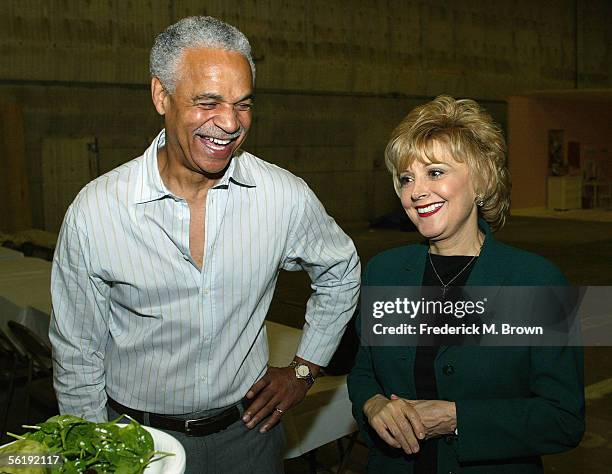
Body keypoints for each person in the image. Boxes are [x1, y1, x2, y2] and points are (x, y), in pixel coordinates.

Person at [50, 16, 360, 474]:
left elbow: (342, 269)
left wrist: (304, 369)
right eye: (208, 102)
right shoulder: (97, 212)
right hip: (137, 443)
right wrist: (95, 453)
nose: (231, 123)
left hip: (249, 440)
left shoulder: (283, 196)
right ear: (161, 96)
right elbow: (76, 351)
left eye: (243, 104)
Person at [347, 95, 584, 473]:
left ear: (482, 180)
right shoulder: (383, 272)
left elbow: (562, 419)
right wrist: (373, 404)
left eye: (435, 172)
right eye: (407, 178)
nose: (416, 191)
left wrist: (457, 417)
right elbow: (364, 371)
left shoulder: (535, 281)